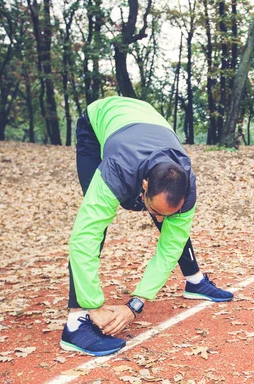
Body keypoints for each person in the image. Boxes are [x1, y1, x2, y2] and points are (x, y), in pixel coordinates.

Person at [60, 96, 233, 357]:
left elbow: (171, 242)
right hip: (98, 124)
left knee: (175, 226)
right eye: (154, 211)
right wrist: (92, 304)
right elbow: (84, 236)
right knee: (95, 224)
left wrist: (136, 304)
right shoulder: (116, 172)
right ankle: (75, 324)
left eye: (167, 214)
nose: (160, 220)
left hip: (144, 119)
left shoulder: (187, 184)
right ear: (143, 187)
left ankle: (194, 281)